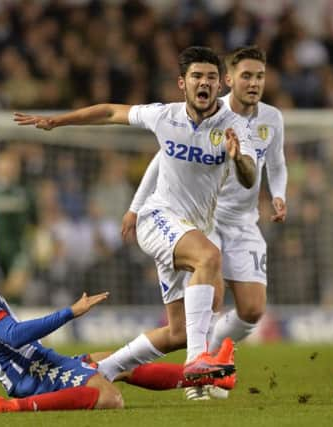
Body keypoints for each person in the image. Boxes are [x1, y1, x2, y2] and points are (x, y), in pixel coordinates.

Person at [14, 46, 257, 380]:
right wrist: (59, 121)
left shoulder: (235, 126)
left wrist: (239, 157)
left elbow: (248, 178)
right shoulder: (164, 115)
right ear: (181, 84)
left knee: (178, 332)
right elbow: (111, 112)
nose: (204, 83)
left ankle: (103, 369)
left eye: (211, 77)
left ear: (221, 85)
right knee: (208, 257)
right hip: (158, 219)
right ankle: (197, 361)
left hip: (192, 229)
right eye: (197, 76)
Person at [0, 207, 231, 413]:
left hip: (33, 362)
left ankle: (212, 376)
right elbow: (13, 336)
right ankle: (17, 406)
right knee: (110, 397)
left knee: (117, 362)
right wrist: (70, 312)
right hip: (32, 374)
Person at [121, 46, 288, 400]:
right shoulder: (211, 106)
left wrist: (279, 193)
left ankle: (200, 363)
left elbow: (271, 165)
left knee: (252, 308)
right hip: (202, 218)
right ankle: (202, 370)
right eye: (246, 75)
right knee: (208, 300)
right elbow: (164, 157)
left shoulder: (270, 119)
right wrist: (136, 206)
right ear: (229, 80)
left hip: (240, 221)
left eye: (260, 76)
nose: (254, 83)